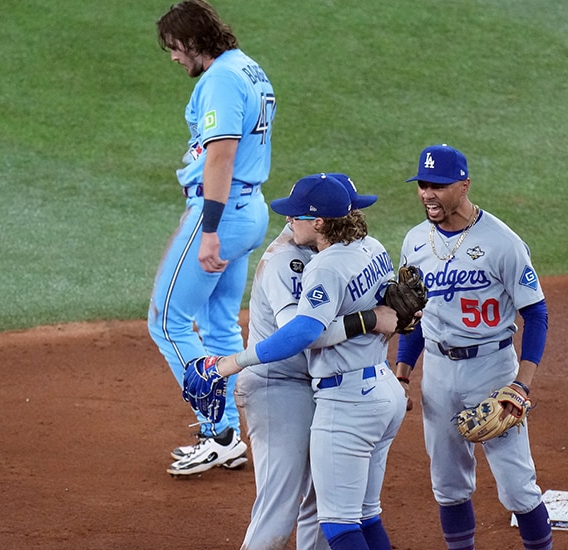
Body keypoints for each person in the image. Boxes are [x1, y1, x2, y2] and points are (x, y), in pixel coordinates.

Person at [203, 173, 407, 550]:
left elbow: (310, 331)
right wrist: (371, 319)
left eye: (295, 215)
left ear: (320, 221)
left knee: (331, 510)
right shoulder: (297, 260)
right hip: (280, 385)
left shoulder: (336, 258)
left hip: (335, 390)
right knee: (285, 505)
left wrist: (229, 364)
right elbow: (296, 334)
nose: (287, 220)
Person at [393, 144, 553, 549]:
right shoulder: (414, 242)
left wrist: (521, 385)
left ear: (463, 185)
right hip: (439, 373)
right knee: (448, 486)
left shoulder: (503, 243)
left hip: (492, 371)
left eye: (439, 186)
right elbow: (415, 317)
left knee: (518, 488)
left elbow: (536, 316)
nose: (428, 193)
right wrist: (403, 372)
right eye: (423, 185)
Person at [151, 0, 277, 475]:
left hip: (220, 213)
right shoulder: (248, 67)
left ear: (195, 40)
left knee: (167, 321)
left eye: (175, 47)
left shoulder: (222, 78)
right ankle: (226, 431)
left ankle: (218, 431)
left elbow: (221, 156)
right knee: (220, 320)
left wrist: (207, 232)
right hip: (247, 209)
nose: (174, 57)